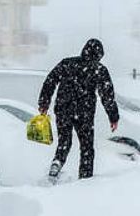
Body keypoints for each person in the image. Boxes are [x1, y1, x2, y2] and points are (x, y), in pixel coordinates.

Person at [38, 38, 119, 181]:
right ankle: (85, 179)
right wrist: (113, 117)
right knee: (86, 147)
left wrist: (44, 103)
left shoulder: (67, 63)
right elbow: (107, 96)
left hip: (63, 109)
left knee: (65, 141)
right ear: (99, 55)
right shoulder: (99, 70)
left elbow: (50, 81)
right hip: (84, 112)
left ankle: (58, 161)